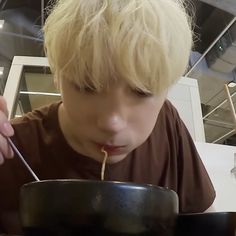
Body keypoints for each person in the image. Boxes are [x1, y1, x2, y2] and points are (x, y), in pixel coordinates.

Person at [0, 0, 215, 234]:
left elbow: (206, 221)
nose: (113, 123)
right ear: (57, 77)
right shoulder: (11, 147)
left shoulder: (167, 124)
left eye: (142, 91)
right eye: (87, 86)